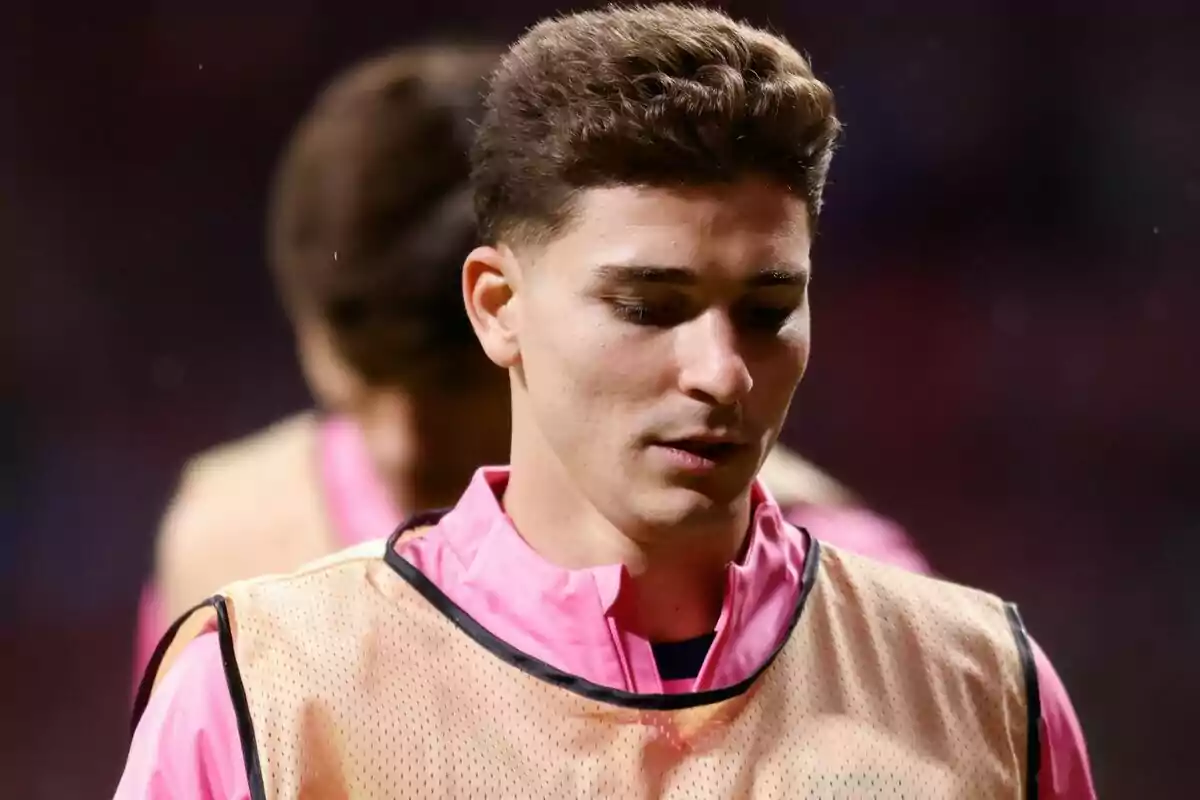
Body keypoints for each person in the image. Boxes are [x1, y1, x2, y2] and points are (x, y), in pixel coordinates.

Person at [118, 6, 1094, 798]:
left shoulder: (975, 690)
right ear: (497, 308)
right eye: (646, 305)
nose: (722, 369)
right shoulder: (261, 689)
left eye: (768, 307)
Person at [132, 42, 929, 679]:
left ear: (513, 320)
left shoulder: (852, 598)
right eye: (364, 386)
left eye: (447, 388)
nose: (400, 444)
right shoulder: (224, 540)